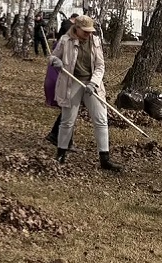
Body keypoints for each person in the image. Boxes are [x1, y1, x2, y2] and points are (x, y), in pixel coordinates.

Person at [49, 15, 121, 171]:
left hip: (92, 84)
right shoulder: (65, 40)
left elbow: (100, 66)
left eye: (90, 31)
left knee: (101, 119)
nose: (88, 34)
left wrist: (94, 83)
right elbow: (53, 57)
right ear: (77, 28)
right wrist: (56, 61)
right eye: (85, 31)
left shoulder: (95, 41)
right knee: (67, 120)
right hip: (72, 83)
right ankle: (60, 155)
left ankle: (105, 159)